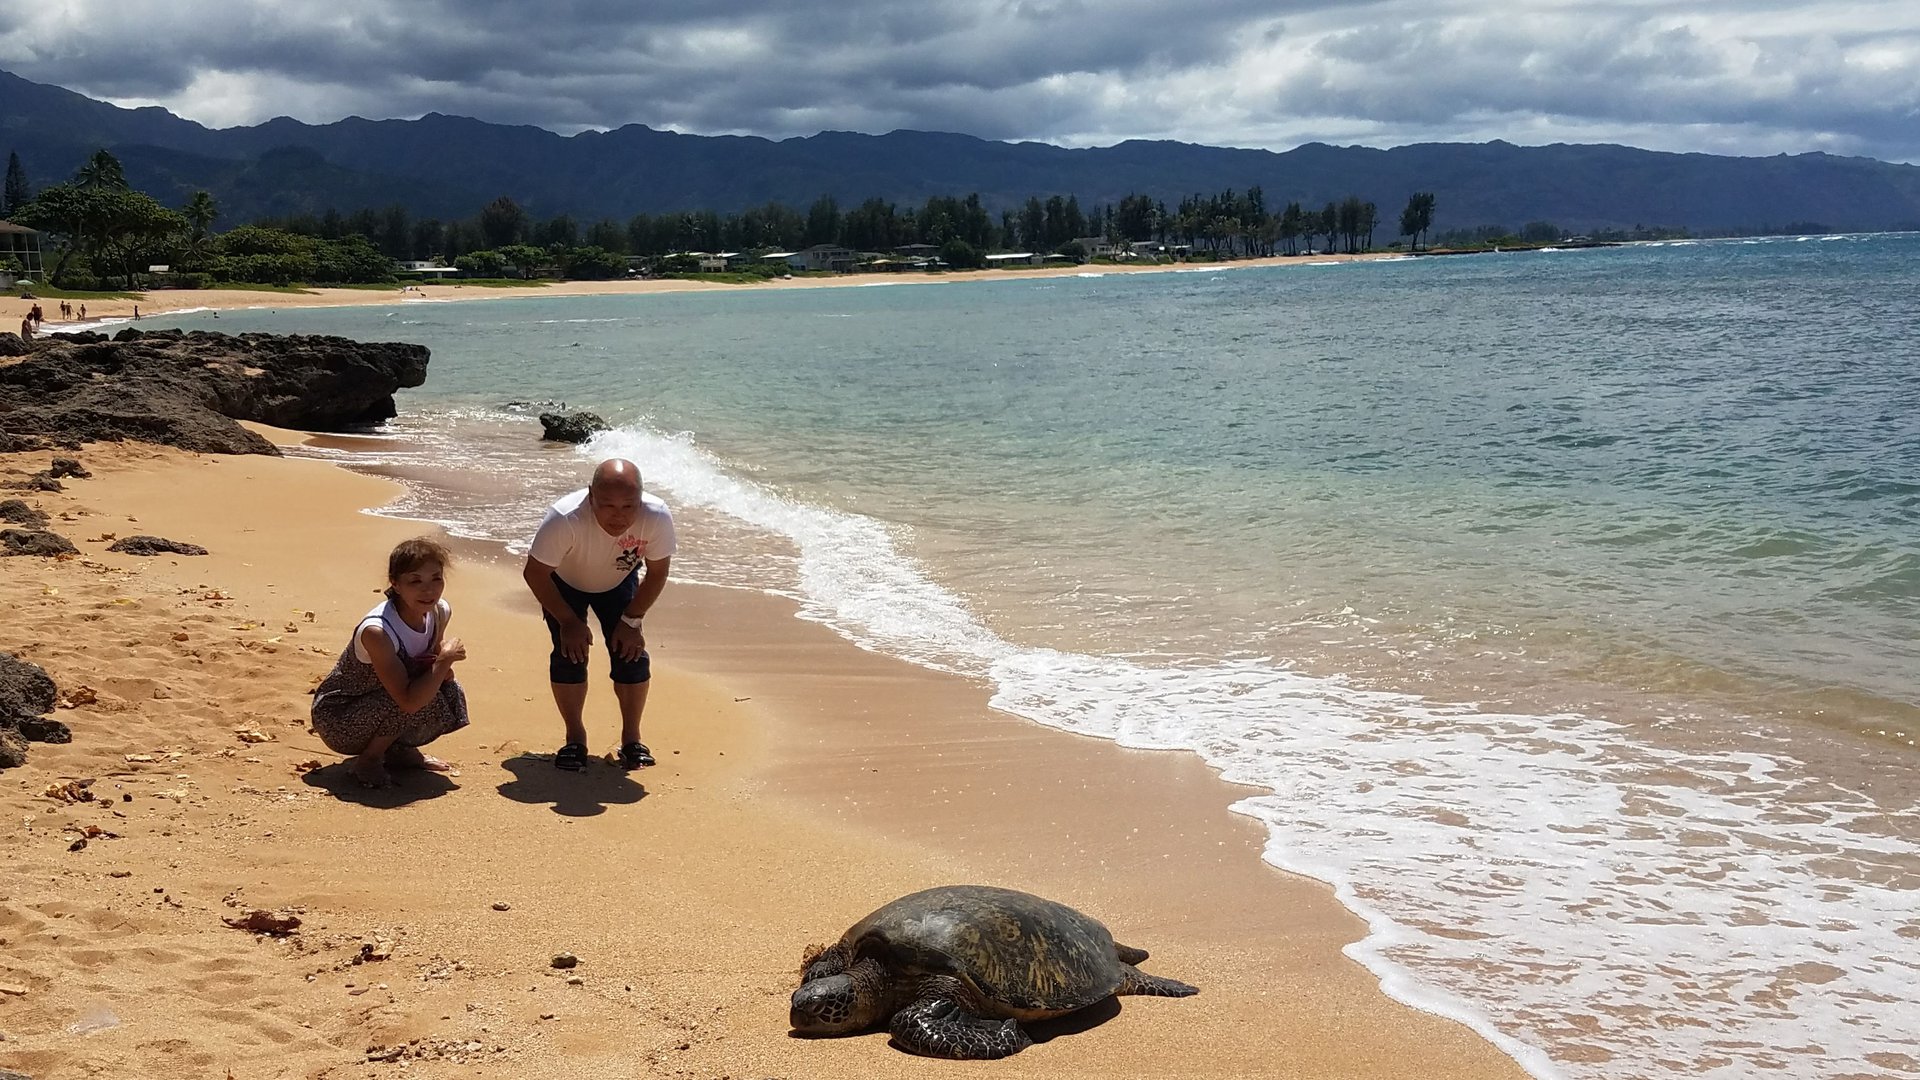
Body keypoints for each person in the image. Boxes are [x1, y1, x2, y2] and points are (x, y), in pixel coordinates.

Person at [522, 458, 675, 771]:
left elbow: (658, 572)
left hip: (618, 581)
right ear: (591, 495)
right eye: (607, 505)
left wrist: (632, 621)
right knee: (570, 655)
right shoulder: (564, 518)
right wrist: (568, 621)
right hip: (563, 583)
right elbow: (535, 572)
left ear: (641, 499)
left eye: (628, 506)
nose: (618, 516)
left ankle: (632, 739)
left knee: (631, 655)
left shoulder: (656, 516)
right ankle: (575, 737)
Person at [310, 537, 469, 788]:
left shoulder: (439, 611)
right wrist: (445, 659)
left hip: (380, 701)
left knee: (446, 691)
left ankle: (397, 750)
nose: (428, 590)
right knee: (409, 698)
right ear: (395, 584)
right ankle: (369, 760)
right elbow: (406, 699)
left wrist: (442, 666)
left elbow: (435, 664)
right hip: (340, 717)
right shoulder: (379, 631)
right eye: (415, 581)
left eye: (436, 578)